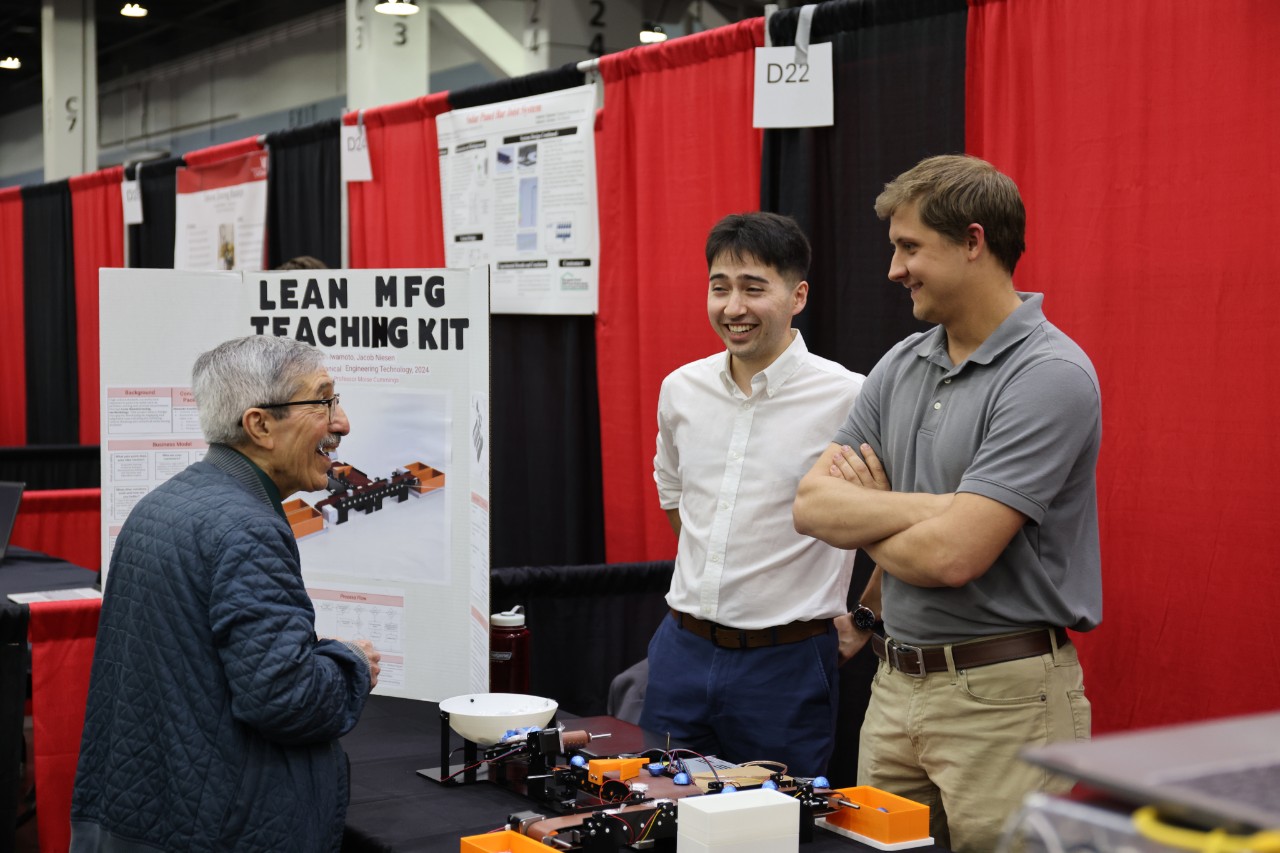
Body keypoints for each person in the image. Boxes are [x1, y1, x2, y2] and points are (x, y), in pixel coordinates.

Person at [793, 154, 1101, 852]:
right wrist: (938, 507)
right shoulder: (902, 362)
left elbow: (953, 557)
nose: (894, 269)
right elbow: (811, 505)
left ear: (973, 241)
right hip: (894, 688)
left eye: (910, 247)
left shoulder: (1049, 375)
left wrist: (877, 508)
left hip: (1005, 704)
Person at [71, 335, 381, 853]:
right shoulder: (246, 528)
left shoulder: (164, 504)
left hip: (144, 815)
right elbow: (286, 699)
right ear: (260, 425)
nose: (342, 422)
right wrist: (350, 662)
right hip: (214, 828)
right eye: (324, 401)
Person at [638, 212, 865, 778]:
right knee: (657, 807)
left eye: (753, 288)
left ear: (798, 296)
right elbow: (674, 494)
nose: (733, 307)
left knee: (776, 817)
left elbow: (896, 513)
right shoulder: (681, 388)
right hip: (681, 650)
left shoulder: (848, 397)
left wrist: (867, 617)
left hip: (787, 663)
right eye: (720, 288)